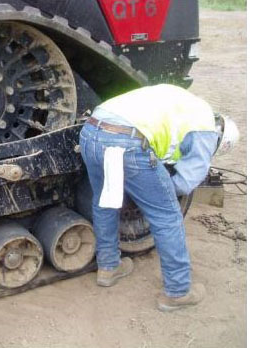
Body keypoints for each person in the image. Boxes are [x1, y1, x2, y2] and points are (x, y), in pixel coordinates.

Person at [79, 84, 239, 312]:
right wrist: (157, 194)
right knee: (167, 217)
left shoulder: (187, 104)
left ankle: (108, 267)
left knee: (105, 201)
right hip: (128, 141)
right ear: (220, 136)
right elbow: (185, 182)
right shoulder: (207, 130)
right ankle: (178, 291)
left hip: (92, 131)